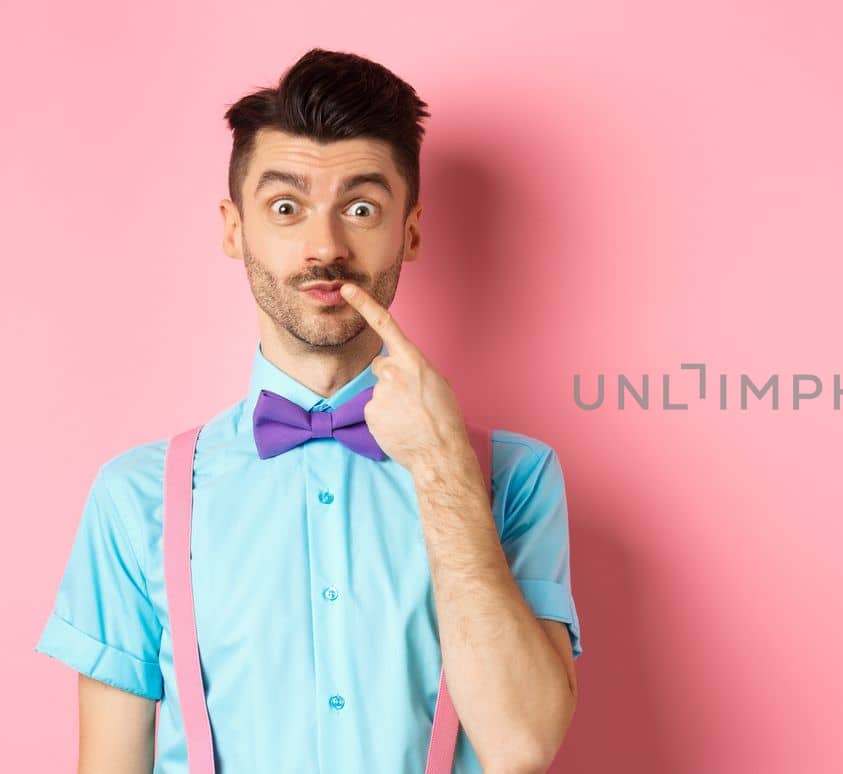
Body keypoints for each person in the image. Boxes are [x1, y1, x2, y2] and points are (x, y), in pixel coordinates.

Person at [33, 48, 581, 773]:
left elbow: (522, 747)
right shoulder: (134, 498)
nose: (325, 247)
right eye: (286, 208)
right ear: (235, 230)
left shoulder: (515, 477)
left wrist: (446, 472)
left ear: (410, 232)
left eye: (361, 208)